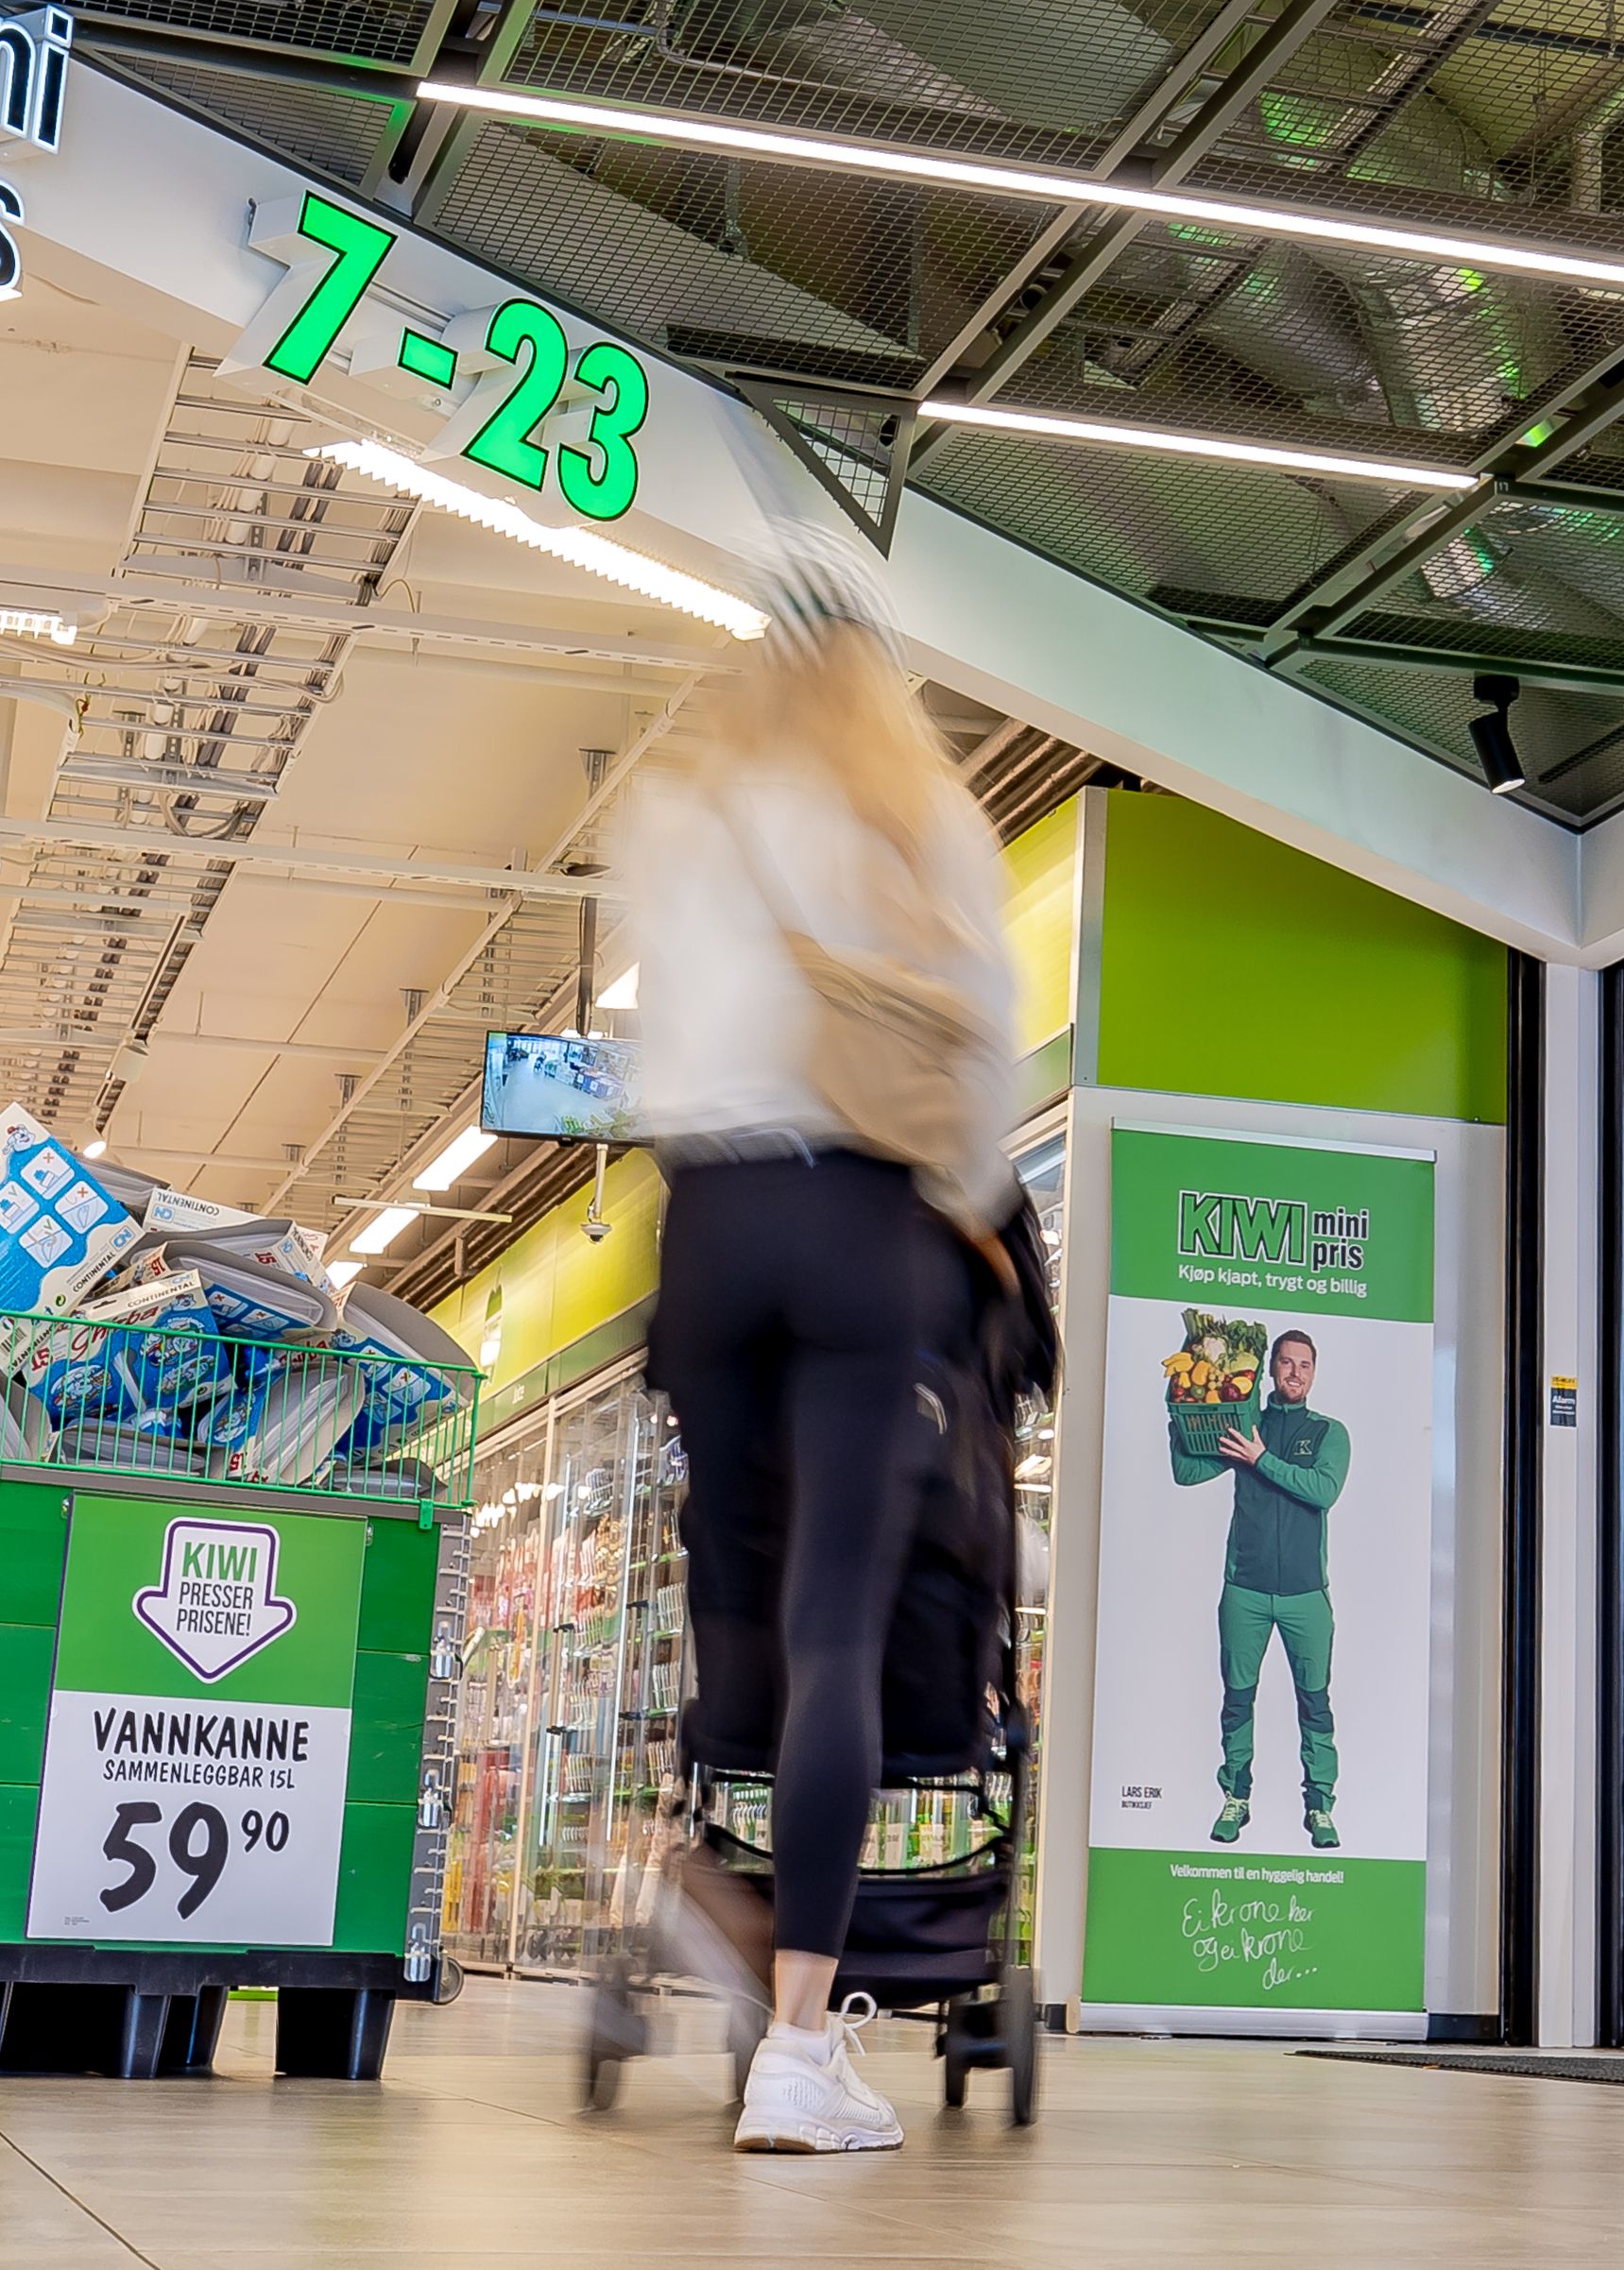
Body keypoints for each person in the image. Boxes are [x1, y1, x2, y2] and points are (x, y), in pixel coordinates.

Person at [620, 531, 1018, 2158]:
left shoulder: (680, 808)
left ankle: (711, 1878)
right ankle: (797, 2051)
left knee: (736, 1600)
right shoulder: (924, 820)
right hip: (861, 1225)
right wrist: (967, 1214)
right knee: (839, 1625)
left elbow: (648, 1044)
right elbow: (983, 1064)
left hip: (709, 1225)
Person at [1173, 1325, 1348, 1848]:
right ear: (1270, 1368)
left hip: (1306, 1594)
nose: (1295, 1372)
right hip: (1244, 1590)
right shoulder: (1245, 1422)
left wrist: (1260, 1460)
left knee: (1314, 1701)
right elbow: (1185, 1472)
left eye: (1304, 1365)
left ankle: (1320, 1805)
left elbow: (1323, 1490)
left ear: (1313, 1374)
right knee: (1237, 1698)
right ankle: (1236, 1797)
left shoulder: (1328, 1432)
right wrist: (1182, 1415)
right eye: (1287, 1362)